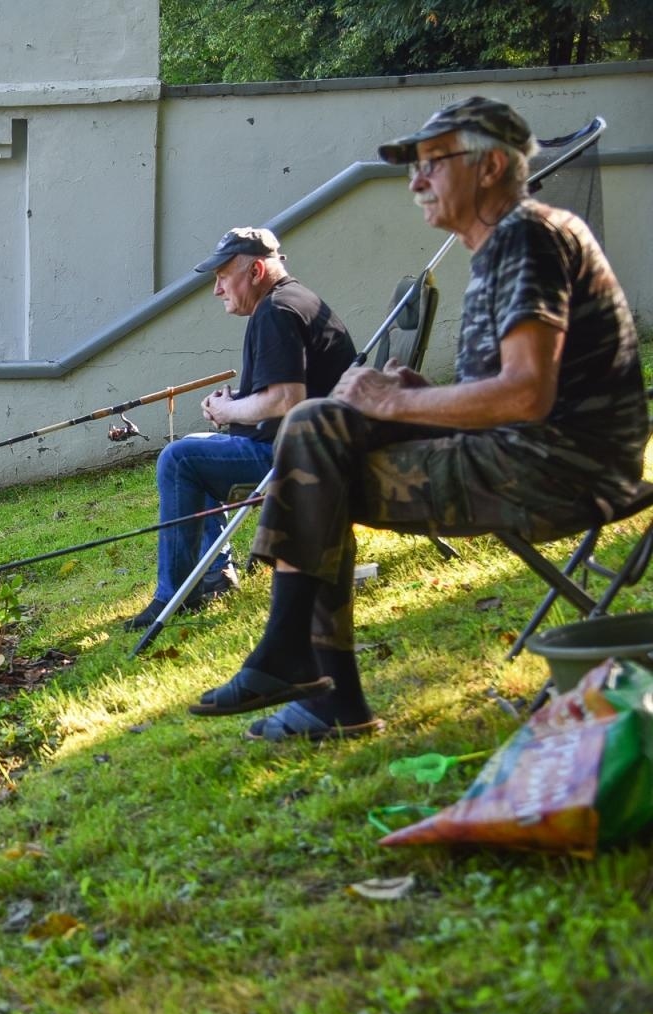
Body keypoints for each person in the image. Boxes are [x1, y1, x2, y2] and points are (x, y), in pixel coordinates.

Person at [190, 96, 647, 741]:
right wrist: (423, 395)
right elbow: (515, 390)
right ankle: (296, 663)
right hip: (530, 451)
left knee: (317, 468)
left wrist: (396, 403)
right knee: (317, 428)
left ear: (491, 167)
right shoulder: (504, 244)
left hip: (561, 471)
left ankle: (312, 678)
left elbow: (527, 396)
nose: (416, 181)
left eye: (432, 163)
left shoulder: (527, 236)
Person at [122, 227, 356, 631]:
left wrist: (229, 409)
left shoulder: (277, 312)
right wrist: (232, 406)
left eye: (222, 277)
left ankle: (172, 597)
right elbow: (282, 395)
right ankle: (215, 576)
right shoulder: (294, 300)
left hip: (303, 461)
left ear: (256, 271)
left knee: (179, 459)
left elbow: (287, 399)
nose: (217, 290)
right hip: (322, 448)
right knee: (195, 448)